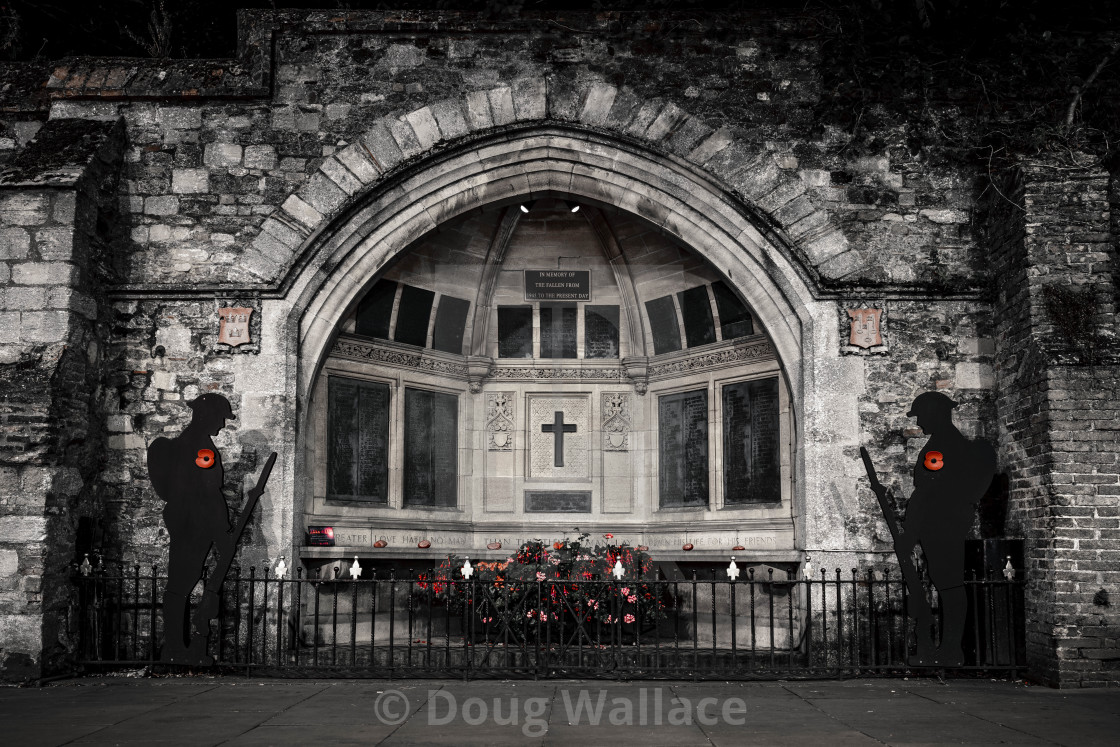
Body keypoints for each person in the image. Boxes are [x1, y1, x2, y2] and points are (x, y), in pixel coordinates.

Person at [897, 391, 995, 665]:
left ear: (935, 414)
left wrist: (911, 533)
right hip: (945, 525)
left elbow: (927, 493)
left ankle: (952, 650)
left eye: (922, 415)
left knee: (949, 585)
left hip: (941, 526)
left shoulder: (941, 448)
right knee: (946, 583)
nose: (919, 421)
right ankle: (949, 649)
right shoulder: (947, 444)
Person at [146, 393, 234, 664]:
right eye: (220, 418)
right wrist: (223, 531)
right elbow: (209, 491)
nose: (221, 425)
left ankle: (175, 648)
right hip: (195, 522)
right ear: (206, 416)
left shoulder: (190, 443)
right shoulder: (200, 448)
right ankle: (174, 649)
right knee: (180, 584)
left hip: (187, 520)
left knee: (180, 582)